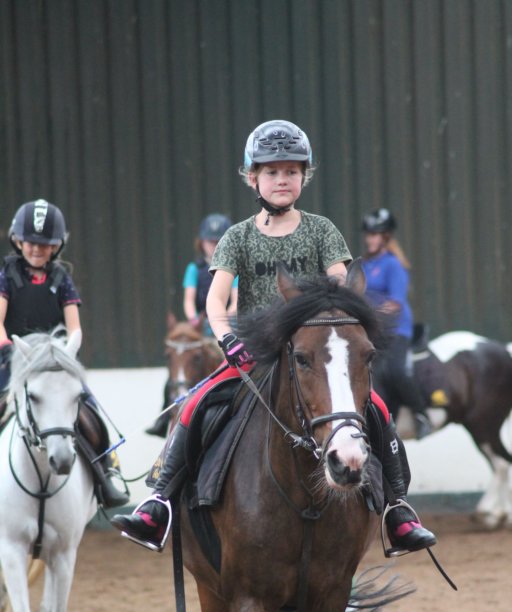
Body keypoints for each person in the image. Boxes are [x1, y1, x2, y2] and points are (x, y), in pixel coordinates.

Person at [113, 119, 436, 555]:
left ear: (304, 176)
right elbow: (216, 300)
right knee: (195, 404)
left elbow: (340, 285)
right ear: (253, 178)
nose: (282, 179)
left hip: (313, 357)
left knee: (376, 409)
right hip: (255, 357)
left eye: (291, 171)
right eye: (272, 171)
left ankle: (397, 509)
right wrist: (227, 340)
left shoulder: (322, 230)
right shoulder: (237, 237)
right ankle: (158, 503)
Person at [0, 198, 129, 508]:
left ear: (56, 246)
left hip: (56, 363)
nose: (37, 249)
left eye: (45, 244)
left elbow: (74, 328)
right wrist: (9, 349)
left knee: (91, 412)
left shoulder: (62, 279)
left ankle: (107, 473)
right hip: (15, 361)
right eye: (31, 242)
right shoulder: (6, 276)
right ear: (18, 241)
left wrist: (67, 352)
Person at [146, 213, 237, 438]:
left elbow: (236, 300)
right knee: (179, 366)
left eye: (218, 241)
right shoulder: (194, 269)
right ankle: (164, 416)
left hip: (227, 325)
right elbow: (189, 299)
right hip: (200, 327)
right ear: (201, 242)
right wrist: (194, 319)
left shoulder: (234, 267)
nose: (213, 246)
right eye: (210, 241)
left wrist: (222, 317)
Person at [360, 208, 432, 440]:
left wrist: (369, 315)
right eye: (369, 234)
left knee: (396, 371)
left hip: (396, 328)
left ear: (386, 237)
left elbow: (396, 303)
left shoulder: (393, 264)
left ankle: (421, 415)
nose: (370, 239)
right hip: (373, 330)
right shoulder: (364, 265)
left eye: (375, 235)